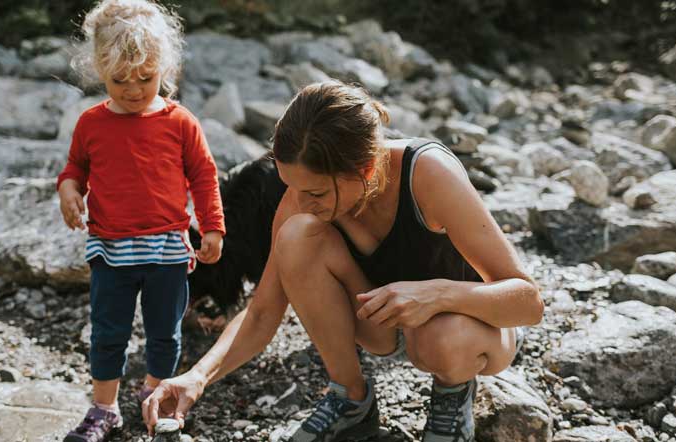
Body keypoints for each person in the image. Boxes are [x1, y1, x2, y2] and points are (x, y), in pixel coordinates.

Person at [142, 81, 543, 442]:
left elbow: (528, 302)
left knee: (441, 338)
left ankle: (453, 396)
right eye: (293, 187)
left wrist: (436, 295)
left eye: (315, 192)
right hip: (382, 326)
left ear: (365, 169)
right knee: (296, 236)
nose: (301, 202)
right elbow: (263, 310)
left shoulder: (427, 174)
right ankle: (351, 399)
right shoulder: (302, 196)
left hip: (469, 327)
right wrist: (197, 377)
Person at [56, 1, 225, 440]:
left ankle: (155, 393)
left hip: (167, 250)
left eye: (146, 79)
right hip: (110, 249)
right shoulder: (91, 124)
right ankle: (104, 407)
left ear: (165, 69)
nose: (133, 90)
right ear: (99, 70)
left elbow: (204, 175)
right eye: (119, 80)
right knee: (107, 333)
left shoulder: (180, 122)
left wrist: (212, 225)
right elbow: (75, 168)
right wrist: (68, 189)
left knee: (164, 334)